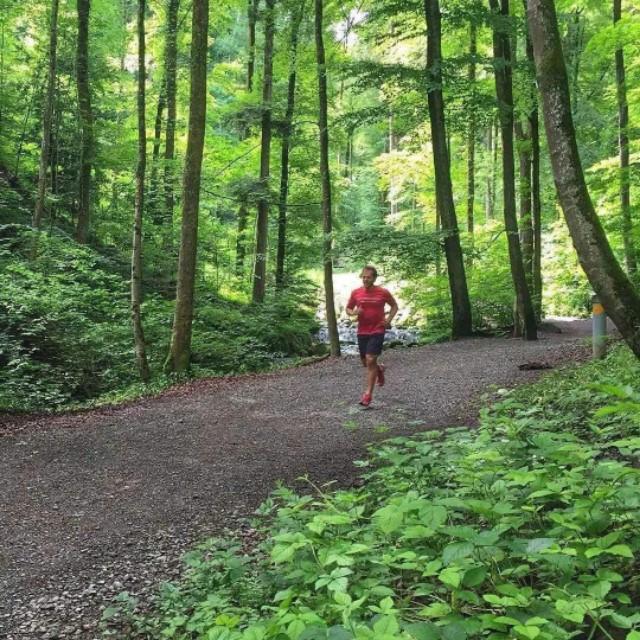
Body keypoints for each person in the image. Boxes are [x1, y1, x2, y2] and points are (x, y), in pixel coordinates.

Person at [346, 265, 398, 407]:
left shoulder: (383, 292)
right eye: (363, 277)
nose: (365, 279)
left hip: (377, 329)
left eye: (368, 277)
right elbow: (348, 308)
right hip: (362, 330)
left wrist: (388, 321)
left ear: (374, 278)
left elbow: (394, 306)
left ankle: (367, 395)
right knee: (366, 363)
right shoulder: (356, 292)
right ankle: (379, 369)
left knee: (370, 359)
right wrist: (354, 313)